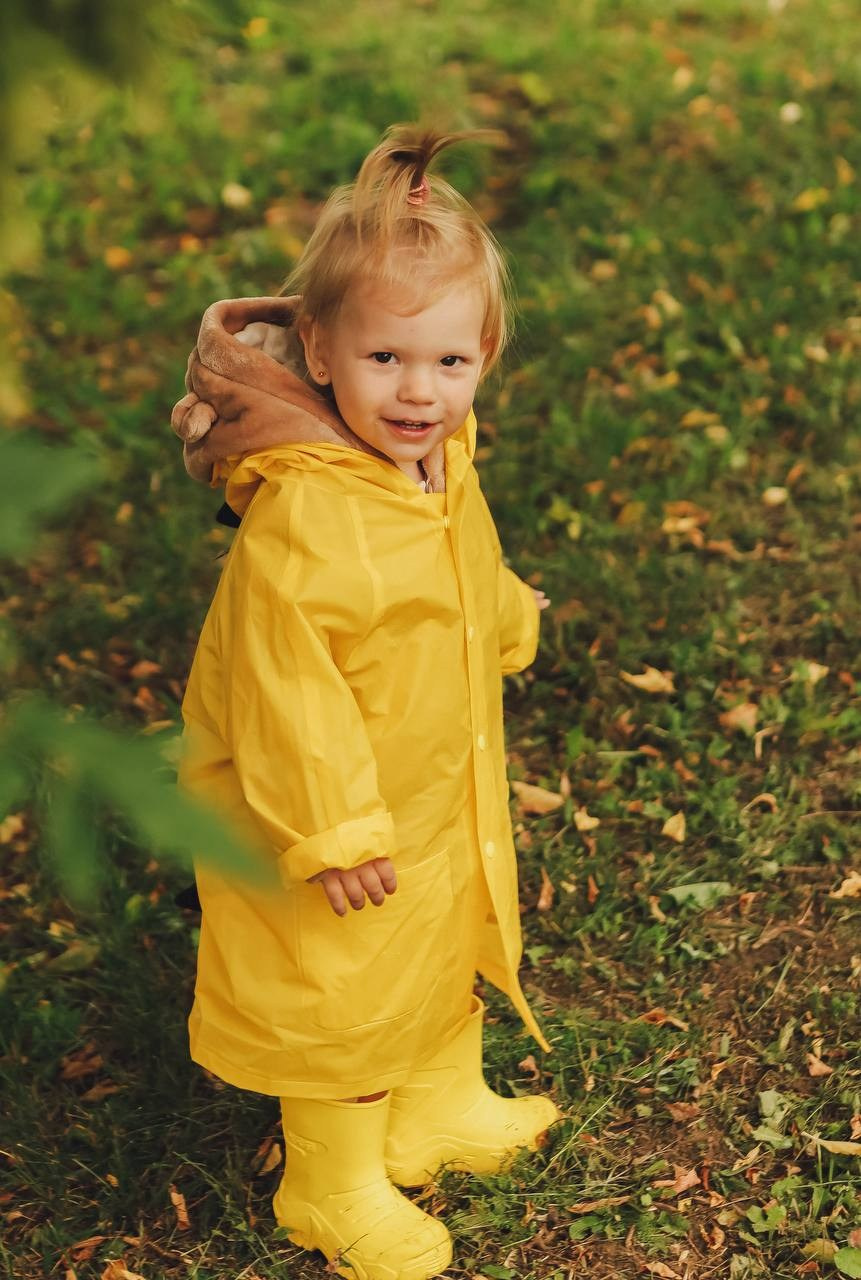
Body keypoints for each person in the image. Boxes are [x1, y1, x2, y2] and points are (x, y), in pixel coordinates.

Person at [172, 124, 562, 1280]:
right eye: (388, 359)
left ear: (484, 352)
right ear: (324, 355)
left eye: (449, 362)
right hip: (327, 813)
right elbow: (283, 685)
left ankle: (433, 1102)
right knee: (336, 981)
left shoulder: (440, 464)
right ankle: (329, 1179)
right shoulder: (309, 513)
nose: (420, 390)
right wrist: (329, 825)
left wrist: (504, 614)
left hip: (431, 778)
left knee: (438, 940)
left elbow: (457, 562)